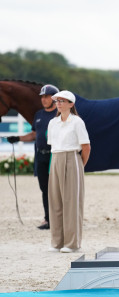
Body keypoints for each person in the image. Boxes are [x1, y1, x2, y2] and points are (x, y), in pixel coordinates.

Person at [7, 84, 59, 230]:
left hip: (54, 157)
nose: (43, 99)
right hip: (41, 157)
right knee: (44, 189)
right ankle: (48, 219)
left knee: (57, 189)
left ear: (54, 98)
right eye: (42, 97)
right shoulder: (39, 115)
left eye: (47, 97)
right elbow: (35, 135)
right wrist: (17, 138)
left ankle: (60, 218)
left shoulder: (59, 115)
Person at [47, 90, 91, 253]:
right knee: (55, 202)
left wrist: (79, 166)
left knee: (71, 203)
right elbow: (53, 145)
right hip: (56, 159)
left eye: (62, 101)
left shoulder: (77, 122)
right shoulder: (53, 123)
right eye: (57, 101)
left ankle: (72, 243)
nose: (58, 103)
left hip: (72, 158)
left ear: (71, 104)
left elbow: (86, 147)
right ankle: (57, 242)